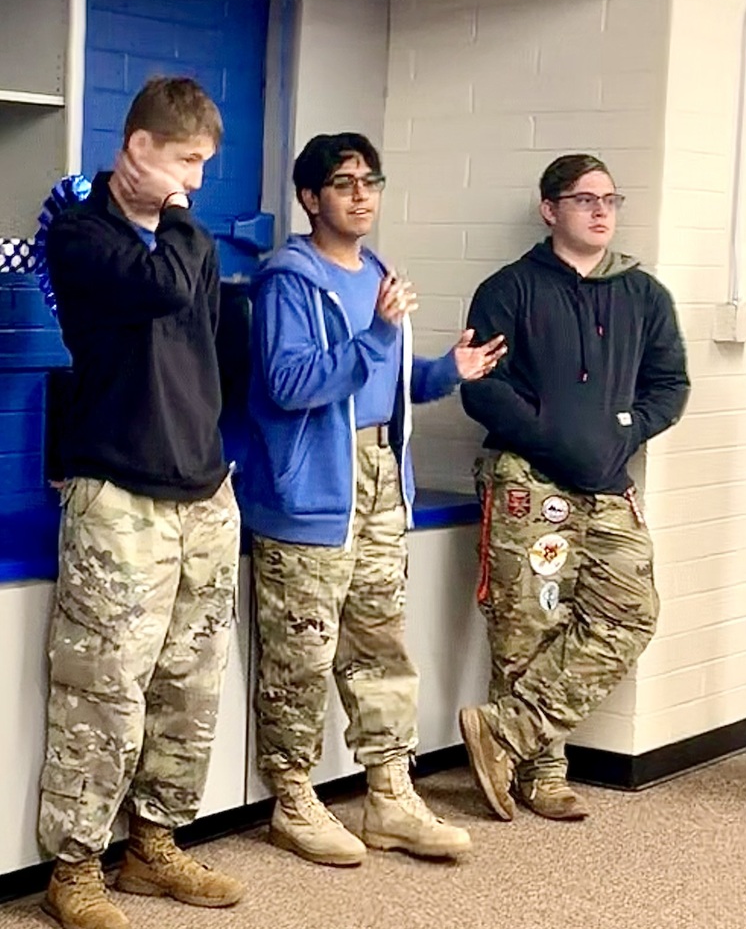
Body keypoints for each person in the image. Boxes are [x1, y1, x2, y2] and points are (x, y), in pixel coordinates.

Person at [241, 133, 506, 865]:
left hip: (383, 474)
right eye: (343, 183)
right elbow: (293, 386)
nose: (361, 195)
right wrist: (378, 331)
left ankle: (390, 792)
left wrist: (446, 370)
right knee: (303, 649)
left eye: (370, 181)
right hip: (312, 486)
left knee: (380, 639)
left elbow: (386, 381)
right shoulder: (287, 280)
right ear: (310, 198)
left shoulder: (379, 272)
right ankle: (294, 800)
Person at [39, 77, 244, 929]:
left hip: (202, 489)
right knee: (103, 687)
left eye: (203, 164)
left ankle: (153, 845)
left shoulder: (187, 237)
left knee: (189, 683)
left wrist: (175, 214)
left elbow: (205, 311)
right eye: (186, 161)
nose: (195, 181)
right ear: (138, 149)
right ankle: (74, 866)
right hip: (118, 492)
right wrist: (168, 217)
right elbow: (159, 285)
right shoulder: (83, 232)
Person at [457, 153, 690, 822]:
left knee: (630, 612)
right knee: (528, 624)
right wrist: (547, 435)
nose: (599, 211)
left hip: (608, 482)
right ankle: (543, 773)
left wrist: (626, 433)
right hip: (528, 479)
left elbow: (669, 385)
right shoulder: (510, 288)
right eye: (584, 199)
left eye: (610, 200)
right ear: (550, 209)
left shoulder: (642, 294)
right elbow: (482, 387)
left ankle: (506, 731)